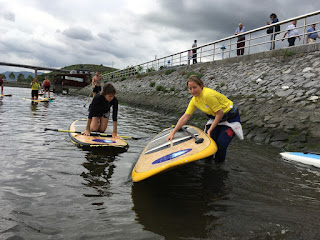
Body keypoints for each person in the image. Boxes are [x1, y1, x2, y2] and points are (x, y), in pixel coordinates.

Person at [167, 75, 243, 163]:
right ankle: (207, 163)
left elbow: (220, 113)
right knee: (208, 143)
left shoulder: (207, 95)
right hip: (216, 118)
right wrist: (173, 133)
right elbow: (185, 116)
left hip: (230, 119)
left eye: (195, 87)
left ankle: (218, 166)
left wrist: (210, 129)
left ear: (201, 85)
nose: (192, 91)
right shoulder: (194, 100)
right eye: (190, 88)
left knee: (221, 144)